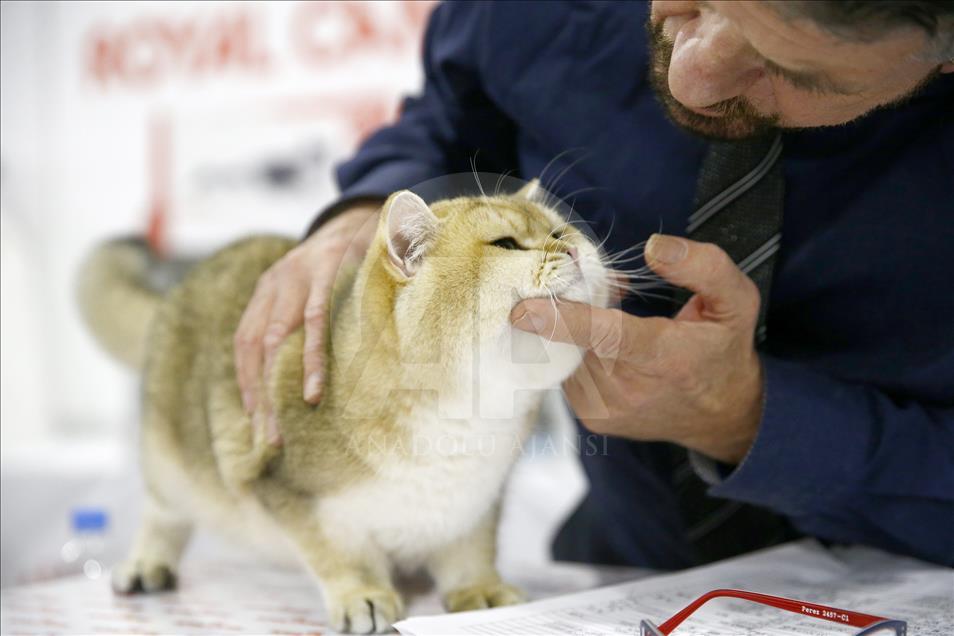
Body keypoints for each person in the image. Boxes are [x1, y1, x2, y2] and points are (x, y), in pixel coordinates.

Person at [233, 1, 954, 569]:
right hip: (612, 573)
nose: (690, 77)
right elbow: (455, 113)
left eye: (794, 73)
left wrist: (754, 421)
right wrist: (369, 213)